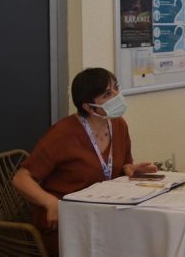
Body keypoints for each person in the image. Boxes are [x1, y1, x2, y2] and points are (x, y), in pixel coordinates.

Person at [12, 68, 157, 256]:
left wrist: (128, 169)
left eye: (116, 88)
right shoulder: (63, 134)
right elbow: (21, 178)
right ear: (88, 107)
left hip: (105, 216)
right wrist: (50, 202)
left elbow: (117, 167)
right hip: (68, 224)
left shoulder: (118, 124)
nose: (116, 96)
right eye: (107, 94)